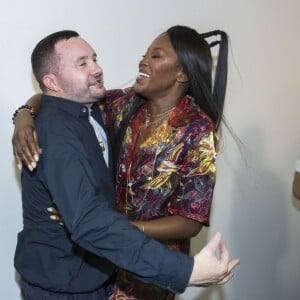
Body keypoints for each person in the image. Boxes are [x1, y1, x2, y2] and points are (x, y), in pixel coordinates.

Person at [12, 29, 239, 300]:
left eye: (155, 55)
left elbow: (190, 220)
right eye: (83, 63)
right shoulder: (123, 104)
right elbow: (57, 97)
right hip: (100, 259)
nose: (143, 61)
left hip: (146, 265)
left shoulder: (196, 129)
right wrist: (24, 115)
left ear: (182, 74)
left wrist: (120, 225)